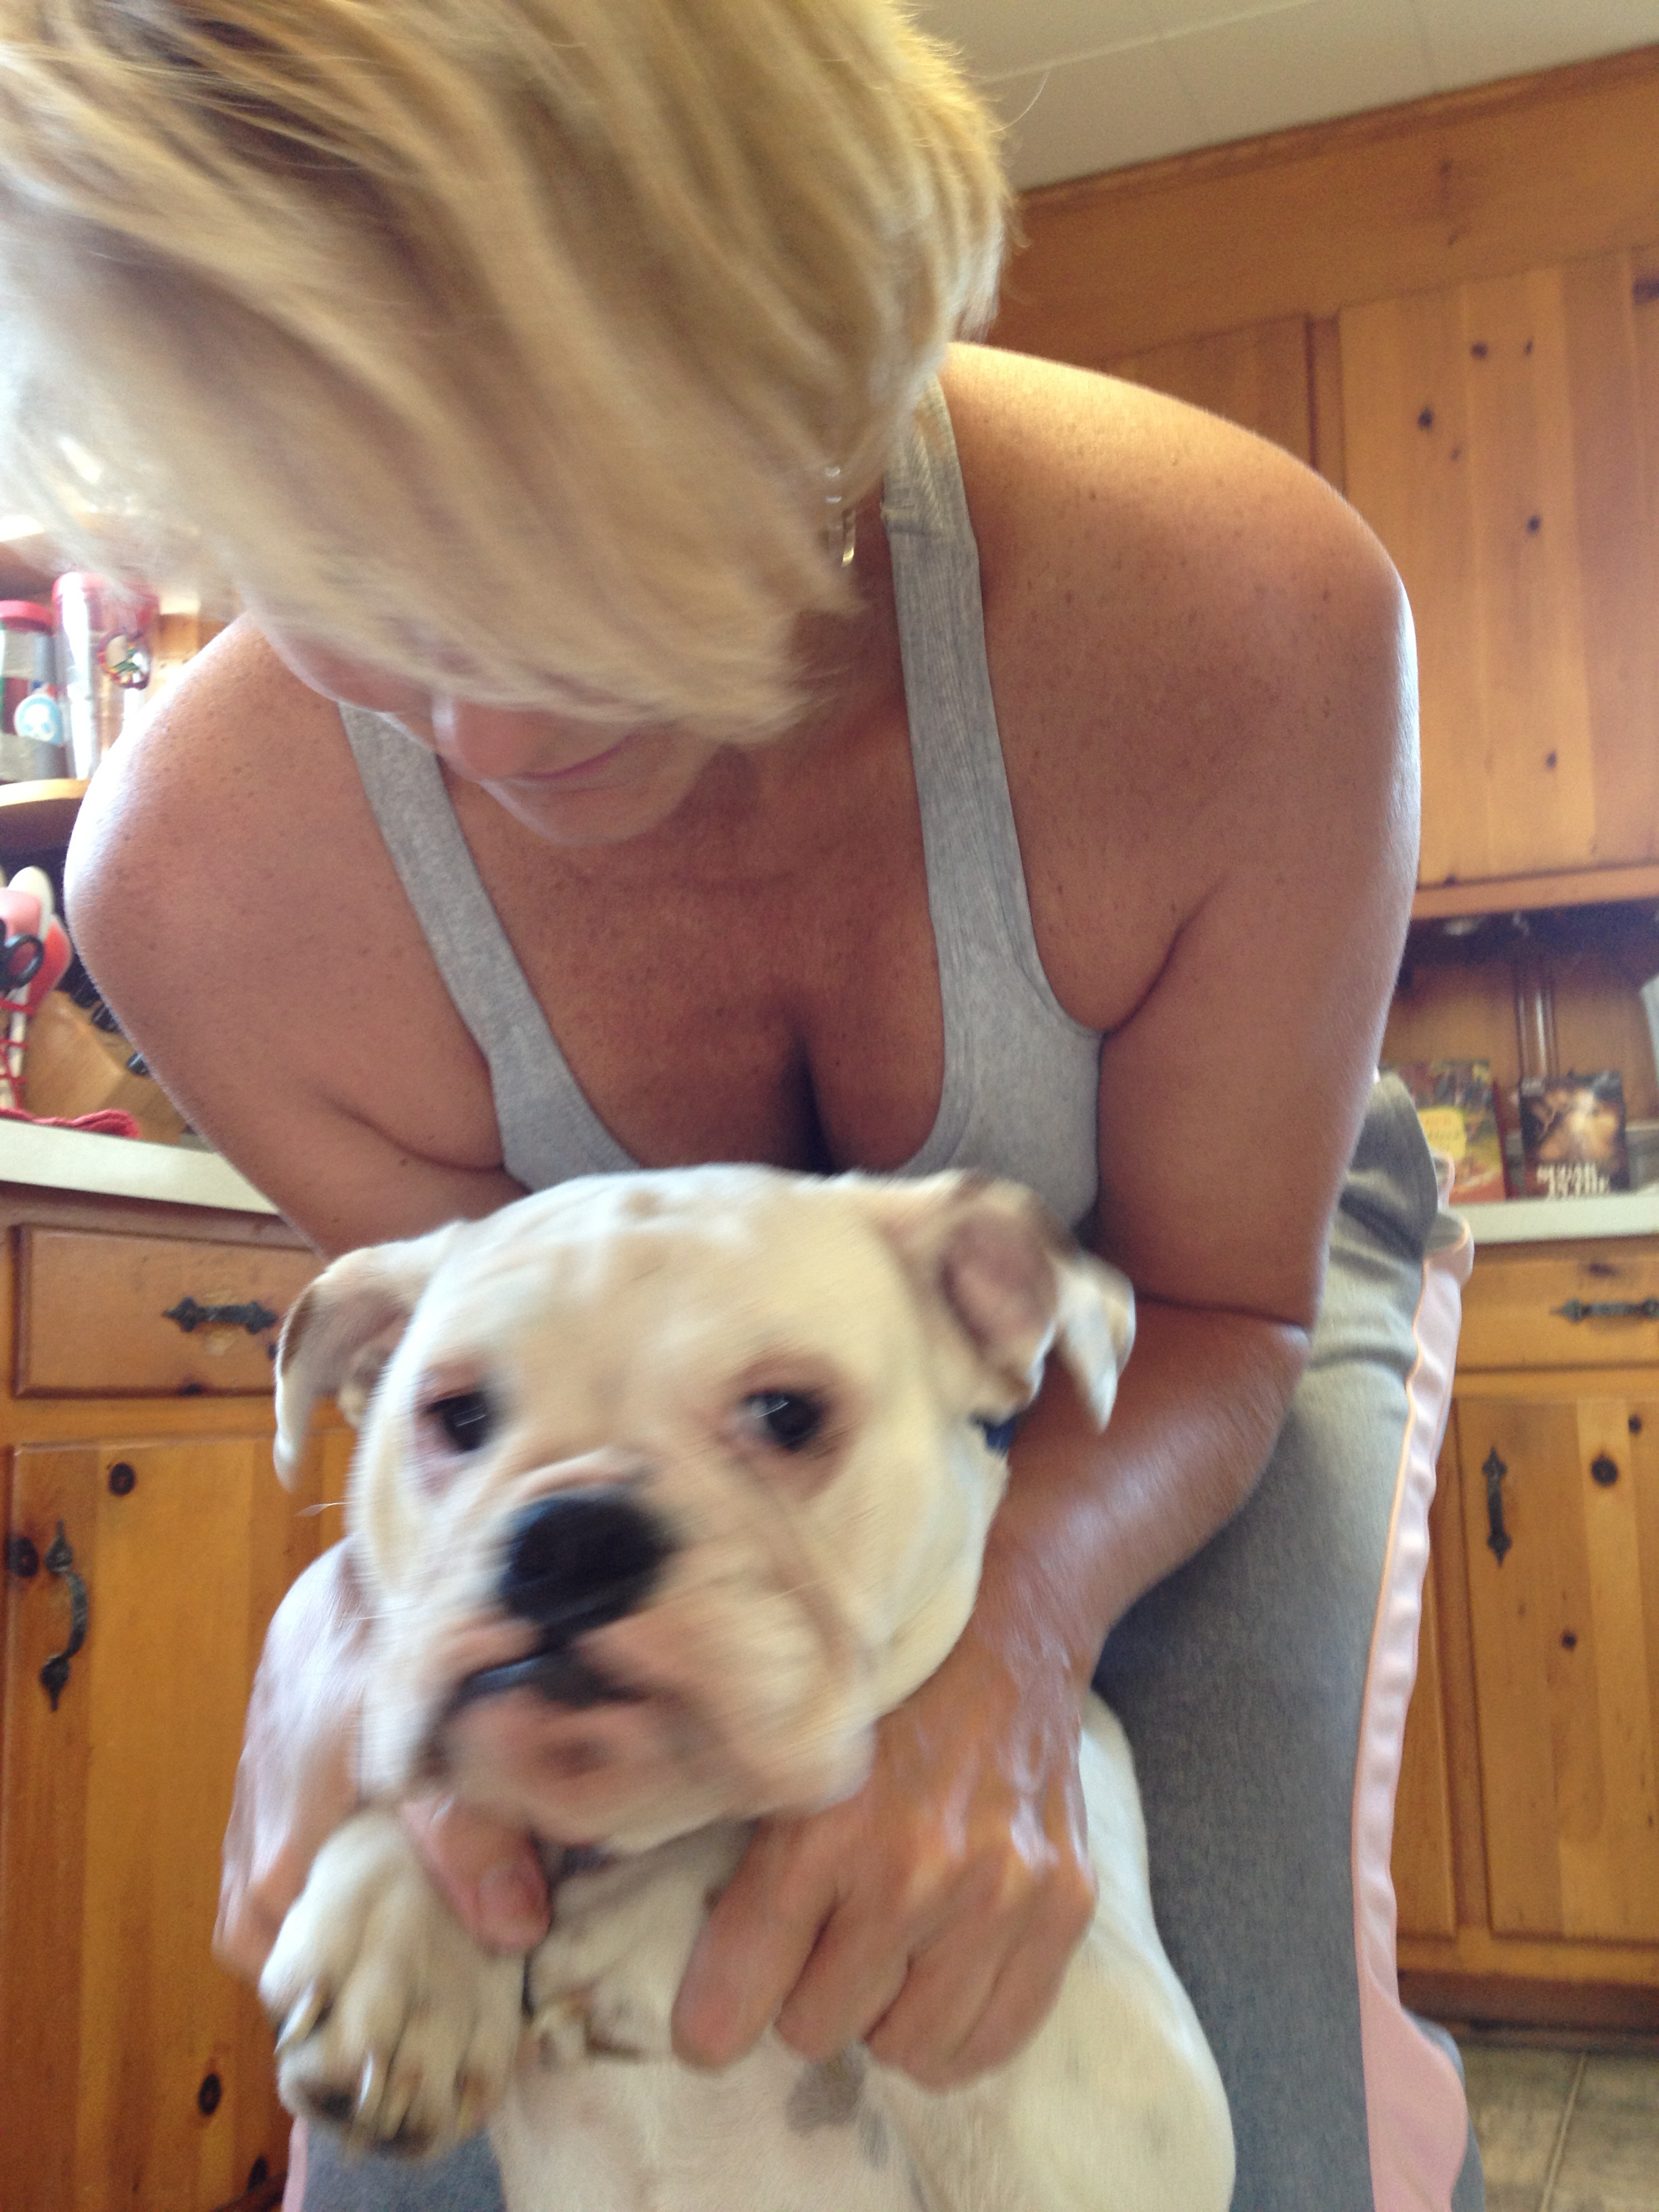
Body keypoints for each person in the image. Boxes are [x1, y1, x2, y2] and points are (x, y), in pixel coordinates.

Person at [0, 3, 1481, 2207]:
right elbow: (462, 1381)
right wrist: (358, 1628)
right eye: (345, 586)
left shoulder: (1238, 620)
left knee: (1254, 2096)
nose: (489, 731)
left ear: (821, 333)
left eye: (587, 530)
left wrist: (1009, 1644)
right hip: (653, 1406)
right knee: (402, 2119)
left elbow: (1221, 1306)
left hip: (1170, 1303)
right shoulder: (211, 887)